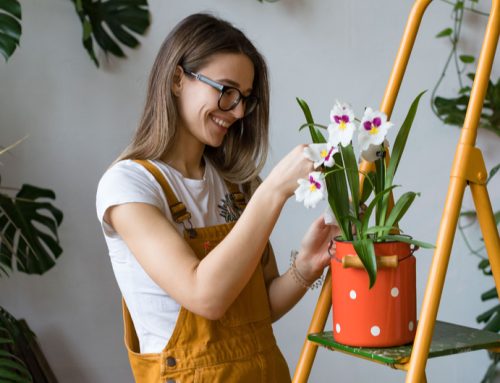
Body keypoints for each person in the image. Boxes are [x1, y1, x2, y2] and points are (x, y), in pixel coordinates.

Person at [96, 12, 338, 383]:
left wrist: (304, 267)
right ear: (178, 79)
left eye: (244, 98)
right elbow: (205, 296)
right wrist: (274, 191)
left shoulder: (236, 183)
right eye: (226, 91)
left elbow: (260, 308)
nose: (238, 111)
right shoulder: (128, 186)